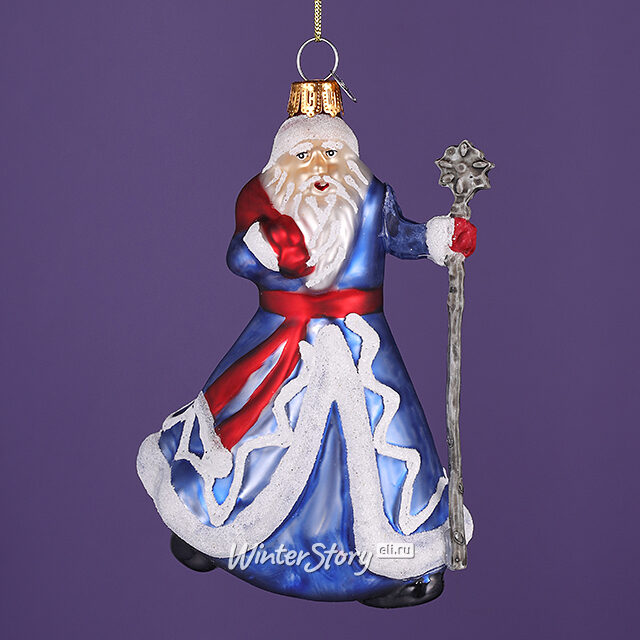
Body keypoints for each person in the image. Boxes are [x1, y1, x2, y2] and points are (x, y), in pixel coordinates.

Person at [137, 107, 476, 608]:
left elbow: (400, 235)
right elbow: (238, 258)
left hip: (364, 343)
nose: (319, 164)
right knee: (254, 434)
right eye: (304, 154)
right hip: (281, 340)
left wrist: (438, 238)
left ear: (350, 158)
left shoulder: (373, 199)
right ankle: (209, 530)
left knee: (385, 444)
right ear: (282, 161)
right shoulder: (265, 202)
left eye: (332, 152)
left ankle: (403, 562)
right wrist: (264, 247)